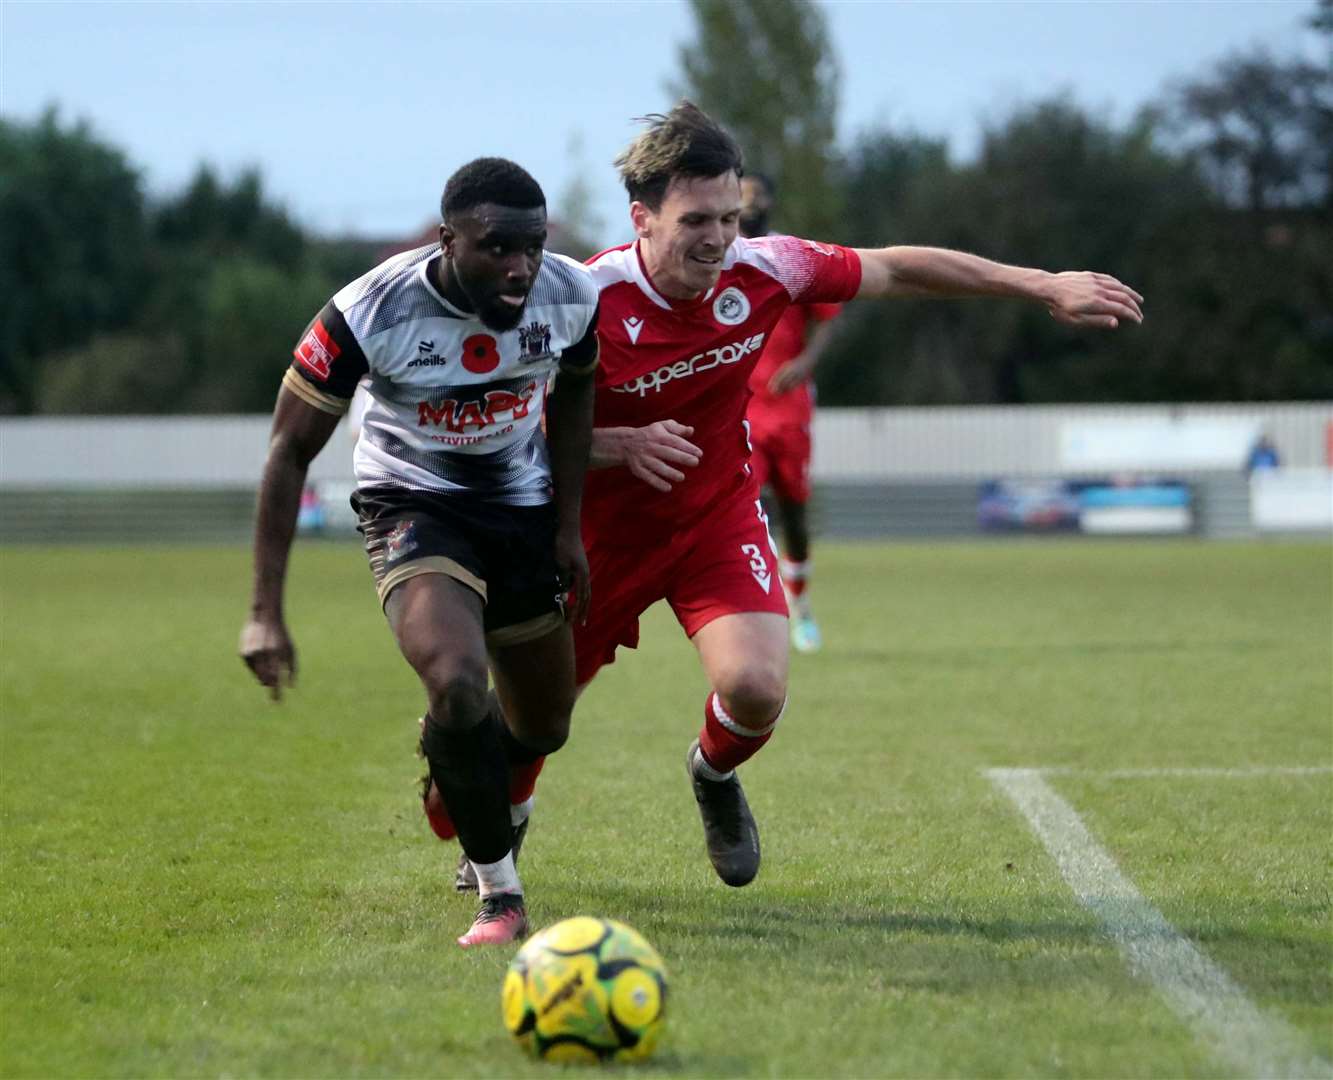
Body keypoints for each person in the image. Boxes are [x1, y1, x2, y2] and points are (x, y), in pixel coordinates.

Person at [450, 101, 1142, 893]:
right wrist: (612, 444)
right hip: (591, 539)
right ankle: (505, 823)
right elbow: (488, 427)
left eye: (729, 217)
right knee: (520, 736)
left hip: (712, 518)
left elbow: (895, 268)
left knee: (754, 688)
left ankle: (712, 775)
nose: (717, 239)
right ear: (640, 218)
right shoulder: (574, 298)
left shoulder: (768, 268)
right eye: (695, 220)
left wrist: (1040, 283)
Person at [239, 157, 600, 947]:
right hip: (413, 504)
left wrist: (568, 528)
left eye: (531, 247)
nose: (519, 267)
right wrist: (264, 612)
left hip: (520, 508)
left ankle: (454, 755)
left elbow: (576, 396)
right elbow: (285, 452)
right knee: (458, 679)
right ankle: (500, 894)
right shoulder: (369, 311)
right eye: (497, 247)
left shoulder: (571, 294)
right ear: (447, 241)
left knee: (543, 726)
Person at [739, 171, 842, 653]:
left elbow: (827, 319)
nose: (750, 203)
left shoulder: (794, 257)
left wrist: (804, 363)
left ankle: (800, 607)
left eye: (757, 195)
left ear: (771, 202)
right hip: (740, 409)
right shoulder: (714, 258)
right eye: (742, 196)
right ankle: (759, 613)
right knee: (746, 506)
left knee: (795, 514)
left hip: (789, 408)